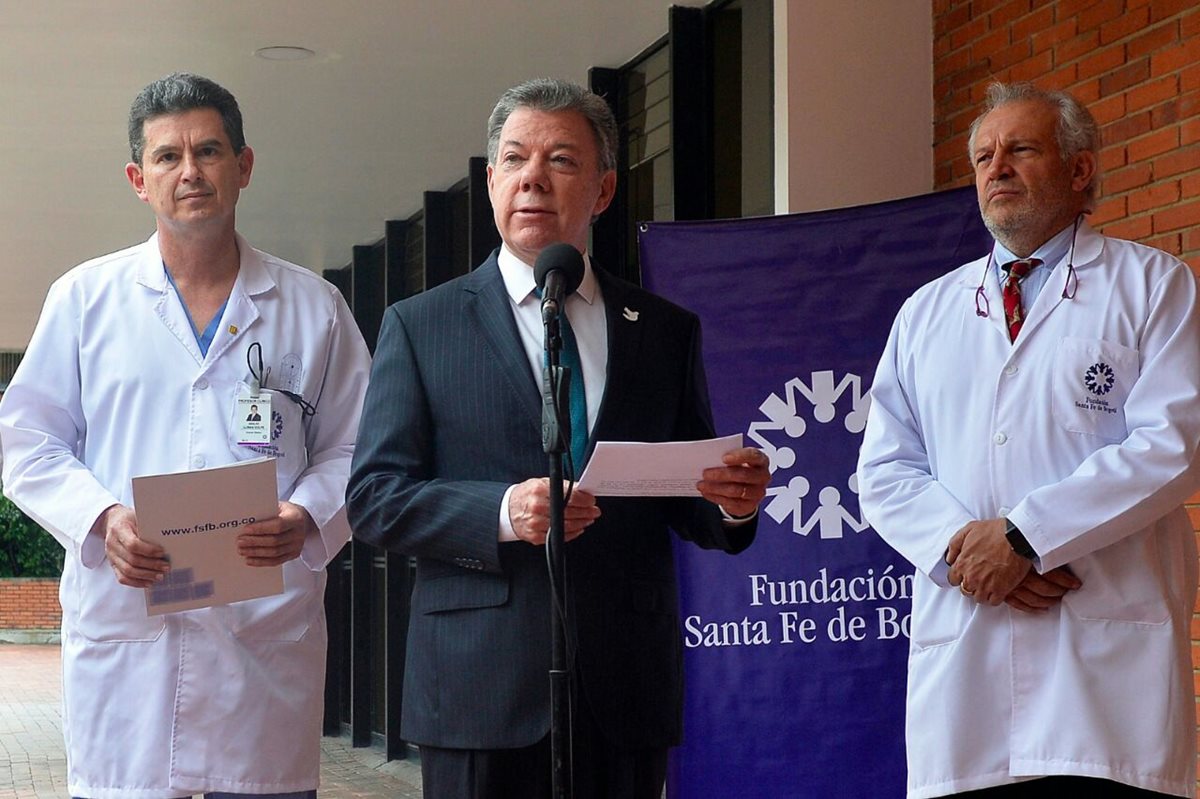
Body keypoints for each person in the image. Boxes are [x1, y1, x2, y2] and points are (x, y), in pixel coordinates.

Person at [346, 77, 770, 799]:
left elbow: (689, 500)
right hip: (477, 686)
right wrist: (503, 512)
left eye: (561, 161)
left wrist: (732, 500)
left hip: (624, 685)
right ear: (490, 182)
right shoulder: (421, 325)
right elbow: (375, 498)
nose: (533, 178)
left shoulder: (663, 330)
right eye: (514, 159)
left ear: (603, 190)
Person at [0, 73, 371, 799]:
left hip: (261, 642)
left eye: (208, 150)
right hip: (128, 640)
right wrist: (101, 519)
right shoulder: (84, 300)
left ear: (245, 165)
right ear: (139, 178)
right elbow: (25, 438)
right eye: (167, 157)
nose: (190, 171)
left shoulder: (313, 306)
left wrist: (305, 517)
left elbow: (362, 447)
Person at [857, 81, 1200, 798]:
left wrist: (1024, 537)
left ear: (1080, 170)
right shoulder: (926, 313)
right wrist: (973, 553)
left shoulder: (1153, 286)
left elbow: (1174, 443)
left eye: (1020, 149)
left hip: (1107, 689)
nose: (996, 168)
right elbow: (886, 470)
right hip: (969, 682)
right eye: (983, 155)